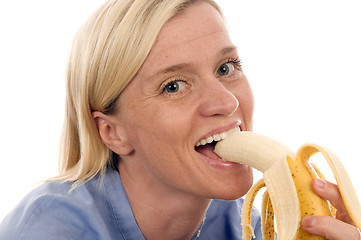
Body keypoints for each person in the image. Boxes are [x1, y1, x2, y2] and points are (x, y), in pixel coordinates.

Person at [0, 0, 359, 239]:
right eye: (173, 86)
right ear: (112, 132)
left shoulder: (247, 227)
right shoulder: (46, 229)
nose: (226, 100)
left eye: (226, 67)